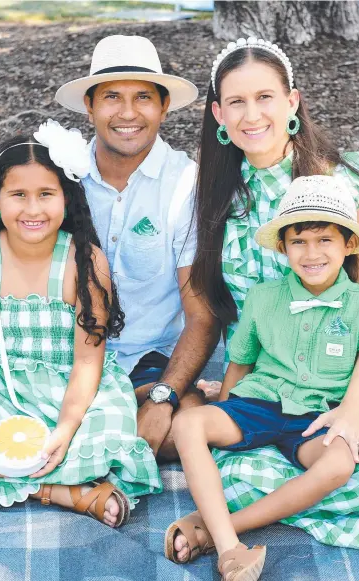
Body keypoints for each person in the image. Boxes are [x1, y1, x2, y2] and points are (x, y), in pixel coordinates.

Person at [185, 37, 359, 557]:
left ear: (292, 102)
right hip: (265, 378)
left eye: (266, 97)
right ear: (218, 113)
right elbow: (226, 316)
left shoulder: (342, 184)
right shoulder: (214, 189)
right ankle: (235, 522)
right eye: (236, 102)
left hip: (352, 364)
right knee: (227, 463)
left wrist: (355, 408)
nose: (252, 115)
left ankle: (223, 528)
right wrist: (232, 388)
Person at [164, 175, 359, 579]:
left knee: (341, 463)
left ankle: (221, 531)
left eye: (325, 240)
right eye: (299, 241)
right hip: (258, 404)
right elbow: (240, 363)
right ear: (284, 247)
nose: (312, 253)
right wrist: (226, 408)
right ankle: (230, 551)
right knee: (187, 424)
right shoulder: (263, 297)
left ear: (348, 245)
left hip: (316, 417)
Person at [0, 121, 161, 526]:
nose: (33, 209)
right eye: (18, 195)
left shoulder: (86, 261)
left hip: (72, 389)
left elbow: (88, 361)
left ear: (66, 198)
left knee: (107, 435)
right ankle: (63, 492)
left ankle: (36, 482)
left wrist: (66, 428)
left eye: (46, 194)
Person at [55, 35, 221, 460]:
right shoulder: (60, 177)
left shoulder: (184, 184)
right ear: (90, 106)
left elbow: (202, 315)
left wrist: (165, 396)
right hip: (67, 353)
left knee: (176, 435)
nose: (127, 113)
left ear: (164, 106)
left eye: (143, 98)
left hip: (150, 362)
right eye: (112, 97)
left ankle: (170, 402)